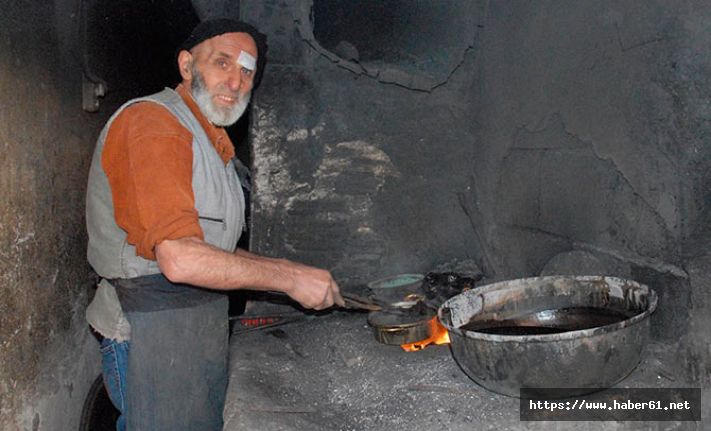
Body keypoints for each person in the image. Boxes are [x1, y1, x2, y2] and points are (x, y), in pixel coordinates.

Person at [85, 18, 344, 431]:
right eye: (222, 63)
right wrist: (288, 278)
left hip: (191, 324)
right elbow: (180, 258)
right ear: (187, 66)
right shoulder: (155, 125)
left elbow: (210, 247)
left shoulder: (211, 142)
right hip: (148, 331)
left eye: (246, 71)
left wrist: (285, 269)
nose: (236, 81)